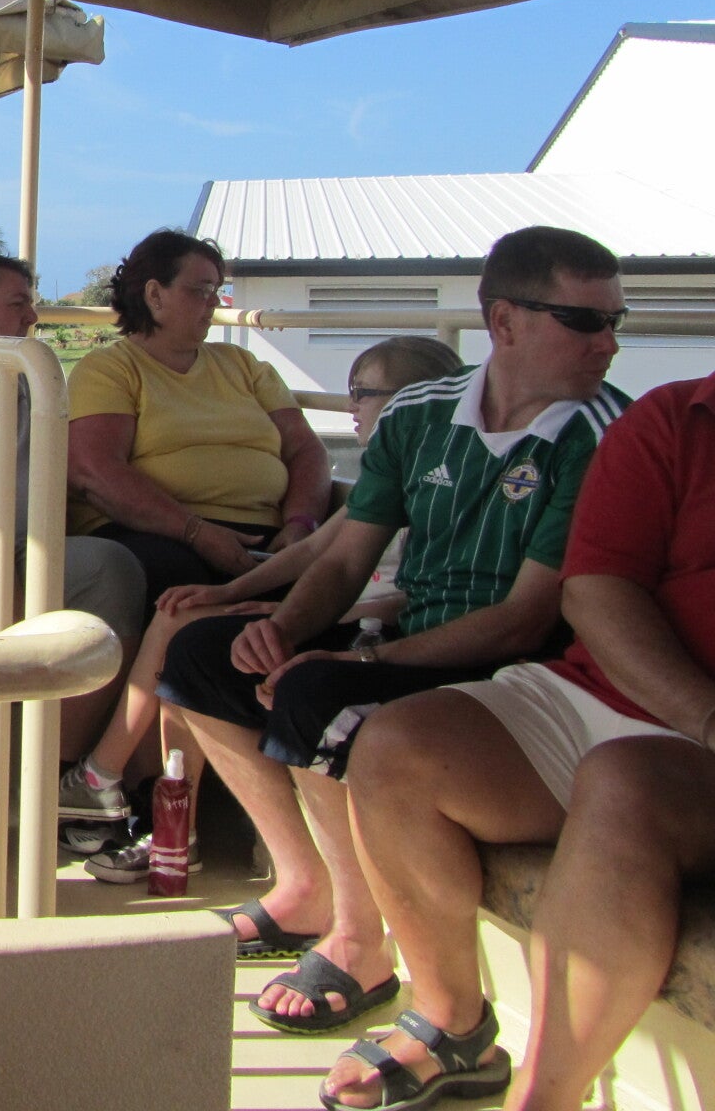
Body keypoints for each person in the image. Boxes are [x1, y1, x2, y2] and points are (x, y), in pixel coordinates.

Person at [159, 226, 626, 1036]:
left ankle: (361, 939)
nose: (609, 344)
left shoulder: (604, 435)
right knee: (201, 652)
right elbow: (345, 557)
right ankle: (306, 887)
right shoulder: (420, 414)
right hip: (412, 640)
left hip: (518, 672)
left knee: (317, 692)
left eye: (616, 322)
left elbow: (525, 618)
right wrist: (282, 628)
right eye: (585, 322)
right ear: (505, 321)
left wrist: (361, 657)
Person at [319, 363, 715, 1111]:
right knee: (397, 746)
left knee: (623, 783)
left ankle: (544, 1095)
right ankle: (451, 1026)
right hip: (616, 693)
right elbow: (596, 589)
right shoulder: (673, 419)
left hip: (672, 760)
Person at [61, 336, 463, 882]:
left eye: (362, 393)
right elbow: (317, 551)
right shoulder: (387, 472)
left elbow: (419, 592)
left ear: (411, 399)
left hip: (368, 627)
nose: (350, 405)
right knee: (184, 625)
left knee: (188, 641)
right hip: (330, 608)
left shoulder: (446, 477)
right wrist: (230, 593)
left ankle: (111, 787)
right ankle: (149, 812)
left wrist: (277, 609)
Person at [0, 253, 149, 828]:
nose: (33, 317)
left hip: (18, 550)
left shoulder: (28, 380)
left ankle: (58, 779)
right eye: (18, 303)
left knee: (113, 567)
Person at [66, 229, 332, 614]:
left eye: (217, 290)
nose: (215, 302)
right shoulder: (109, 369)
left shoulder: (243, 365)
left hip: (266, 537)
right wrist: (196, 532)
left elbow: (306, 449)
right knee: (183, 587)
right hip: (154, 533)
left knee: (331, 580)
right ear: (155, 295)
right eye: (202, 290)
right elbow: (94, 470)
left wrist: (301, 525)